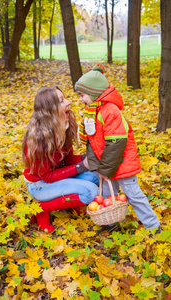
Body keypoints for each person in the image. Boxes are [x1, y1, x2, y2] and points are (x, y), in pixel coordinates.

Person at [75, 64, 161, 233]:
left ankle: (153, 226)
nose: (80, 100)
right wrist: (100, 167)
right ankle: (110, 222)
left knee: (133, 194)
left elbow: (116, 143)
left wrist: (105, 168)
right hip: (107, 164)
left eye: (82, 95)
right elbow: (91, 142)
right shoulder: (92, 111)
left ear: (93, 93)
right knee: (108, 193)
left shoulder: (110, 111)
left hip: (122, 163)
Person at [22, 86, 99, 233]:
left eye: (64, 98)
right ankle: (42, 209)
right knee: (91, 192)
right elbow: (47, 176)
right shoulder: (39, 139)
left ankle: (71, 203)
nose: (68, 102)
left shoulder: (63, 127)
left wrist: (86, 158)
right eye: (61, 101)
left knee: (95, 175)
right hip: (39, 184)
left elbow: (68, 160)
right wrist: (81, 166)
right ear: (49, 110)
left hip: (56, 176)